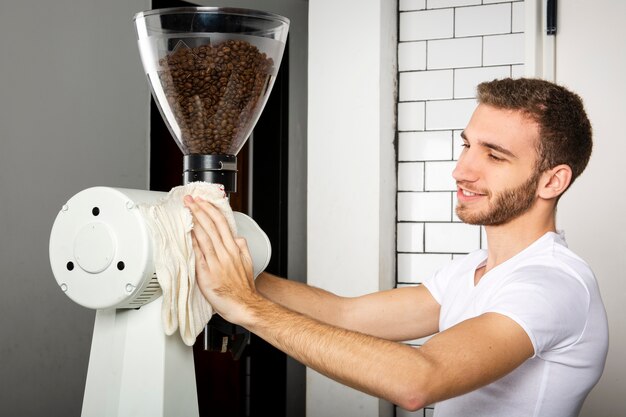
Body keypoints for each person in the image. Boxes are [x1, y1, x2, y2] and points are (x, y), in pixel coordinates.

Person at [183, 78, 609, 417]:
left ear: (552, 181)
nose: (462, 170)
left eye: (494, 156)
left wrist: (244, 305)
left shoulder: (551, 284)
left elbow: (418, 381)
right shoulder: (475, 270)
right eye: (467, 145)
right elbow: (345, 315)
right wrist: (223, 264)